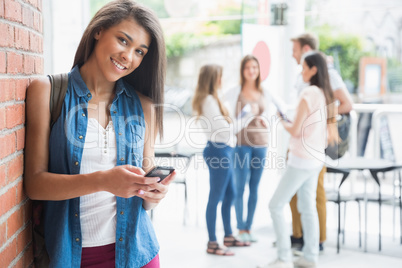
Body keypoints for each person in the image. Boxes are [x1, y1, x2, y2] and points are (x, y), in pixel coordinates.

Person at [24, 1, 176, 267]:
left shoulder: (145, 106)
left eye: (140, 51)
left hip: (137, 255)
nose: (128, 56)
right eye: (123, 40)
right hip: (70, 257)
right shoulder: (47, 92)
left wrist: (154, 196)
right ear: (98, 30)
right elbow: (35, 185)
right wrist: (103, 180)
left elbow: (145, 187)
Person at [260, 52, 339, 268]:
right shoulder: (324, 93)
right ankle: (310, 256)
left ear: (313, 70)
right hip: (316, 159)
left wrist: (280, 119)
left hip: (301, 159)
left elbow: (295, 130)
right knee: (308, 207)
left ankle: (283, 256)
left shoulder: (309, 93)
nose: (301, 72)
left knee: (275, 205)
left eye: (304, 68)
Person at [288, 33, 353, 252]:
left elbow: (346, 104)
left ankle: (318, 240)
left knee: (315, 194)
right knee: (296, 194)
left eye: (295, 50)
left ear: (306, 49)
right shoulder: (303, 76)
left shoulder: (328, 73)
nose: (292, 54)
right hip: (299, 142)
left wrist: (317, 119)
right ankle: (298, 236)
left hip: (313, 144)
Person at [192, 64, 251, 256]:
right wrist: (247, 119)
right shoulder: (208, 100)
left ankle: (228, 235)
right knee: (215, 197)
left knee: (230, 194)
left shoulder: (214, 98)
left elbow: (226, 126)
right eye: (220, 76)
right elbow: (225, 130)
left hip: (224, 150)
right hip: (218, 151)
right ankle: (212, 242)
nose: (222, 80)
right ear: (213, 79)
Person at [223, 55, 271, 243]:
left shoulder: (264, 91)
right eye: (248, 68)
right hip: (241, 145)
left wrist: (264, 120)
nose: (252, 71)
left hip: (261, 144)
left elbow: (269, 115)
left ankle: (249, 227)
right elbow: (221, 106)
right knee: (239, 187)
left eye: (254, 67)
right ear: (243, 71)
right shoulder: (236, 91)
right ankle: (240, 227)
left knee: (254, 187)